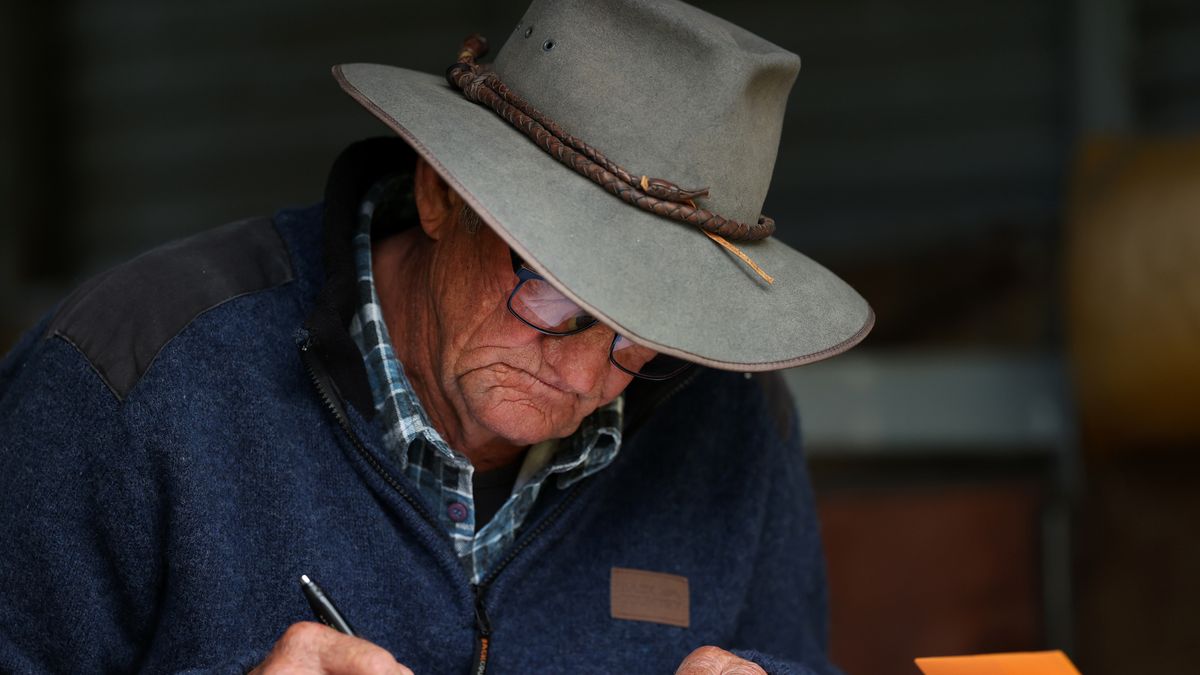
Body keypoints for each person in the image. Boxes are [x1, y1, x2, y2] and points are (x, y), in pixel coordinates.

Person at [0, 0, 872, 673]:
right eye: (554, 296)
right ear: (441, 197)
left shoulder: (732, 420)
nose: (580, 373)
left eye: (641, 336)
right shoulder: (129, 374)